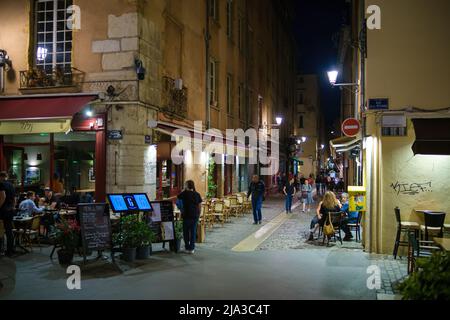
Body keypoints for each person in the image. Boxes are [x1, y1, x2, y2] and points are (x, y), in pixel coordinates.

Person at [177, 180, 202, 254]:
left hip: (186, 216)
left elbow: (178, 199)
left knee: (186, 232)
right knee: (193, 232)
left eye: (185, 184)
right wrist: (198, 214)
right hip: (195, 216)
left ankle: (187, 247)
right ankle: (192, 248)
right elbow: (199, 206)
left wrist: (183, 190)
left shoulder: (184, 194)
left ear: (187, 185)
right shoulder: (197, 194)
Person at [0, 171, 16, 257]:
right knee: (9, 231)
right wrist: (13, 207)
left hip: (3, 211)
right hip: (10, 210)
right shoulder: (11, 185)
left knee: (1, 230)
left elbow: (3, 197)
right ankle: (10, 250)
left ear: (1, 177)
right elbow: (14, 199)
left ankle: (2, 249)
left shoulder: (1, 184)